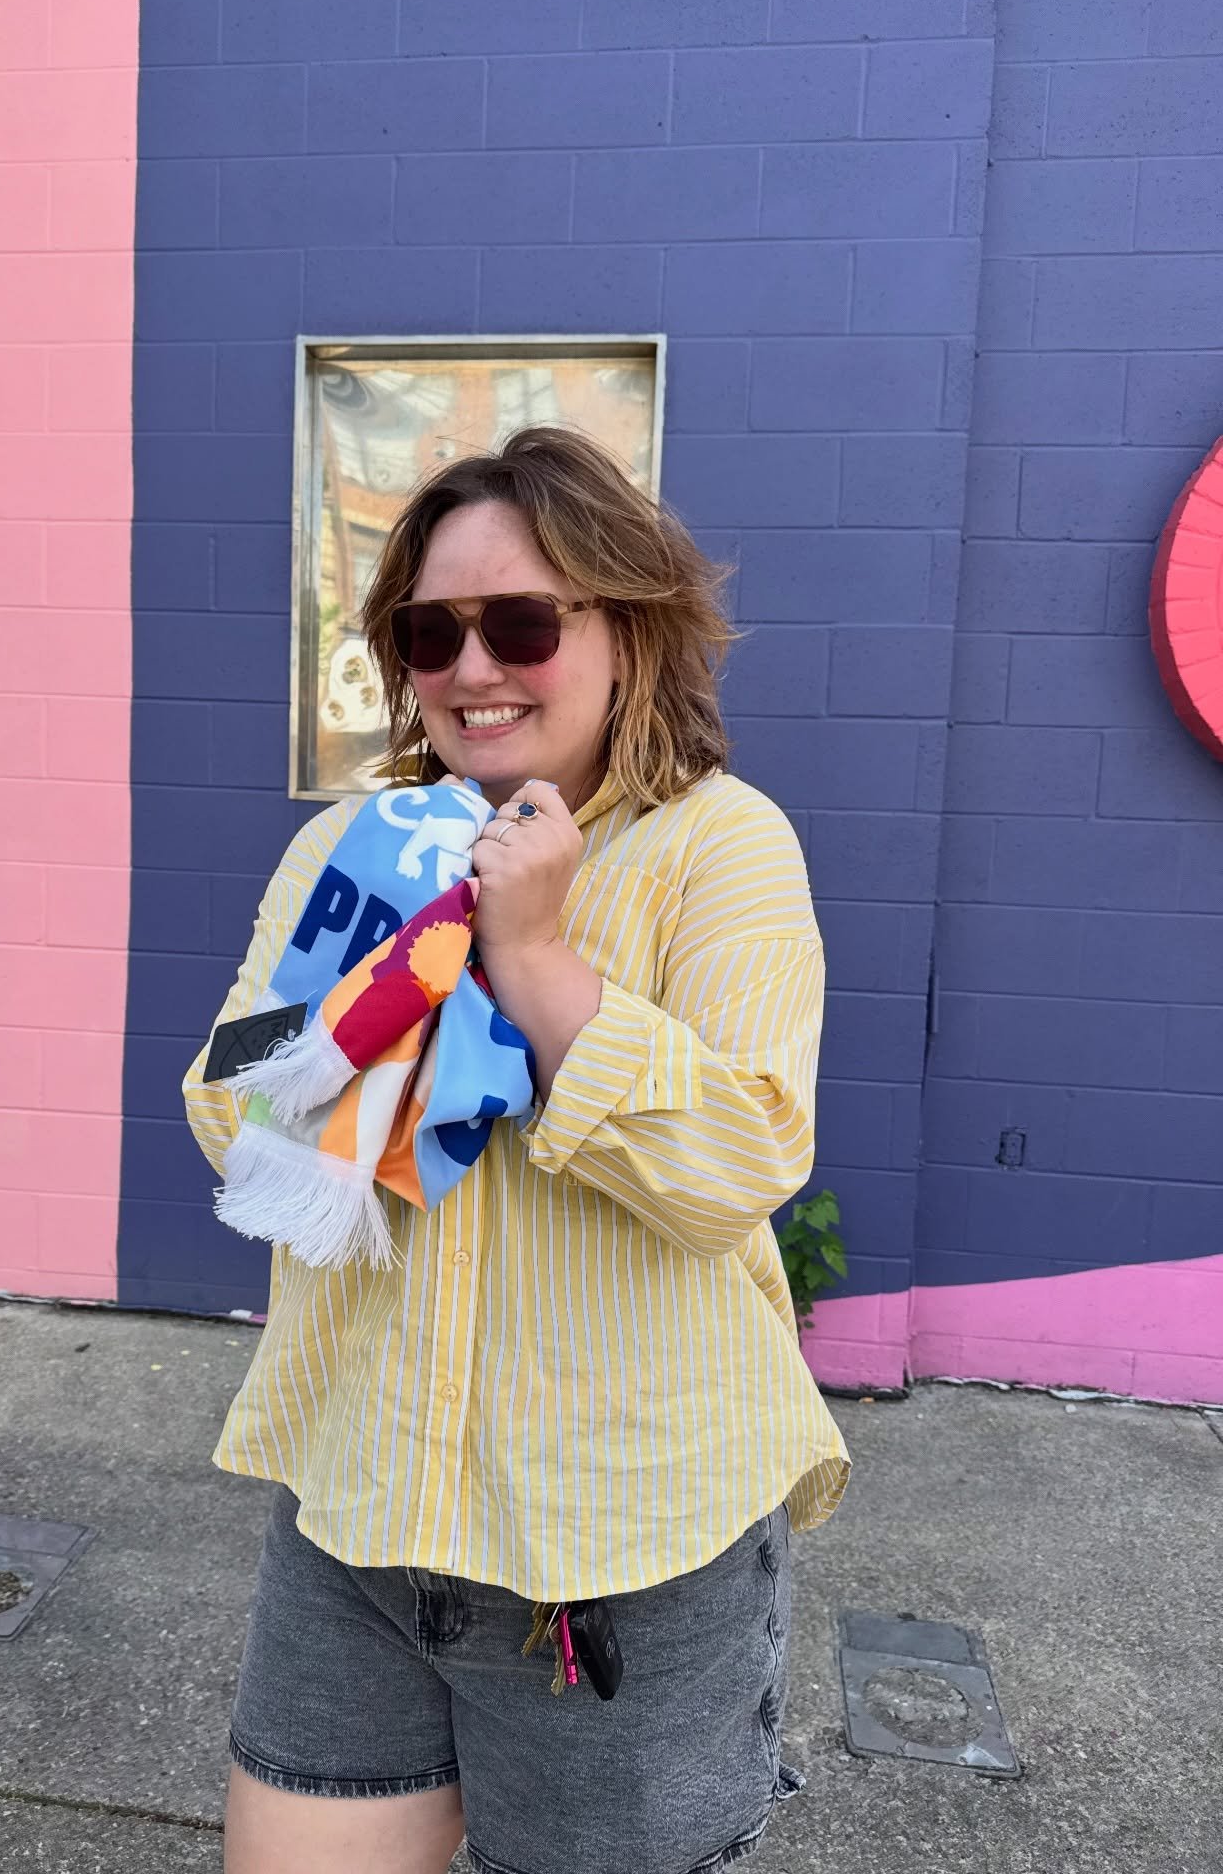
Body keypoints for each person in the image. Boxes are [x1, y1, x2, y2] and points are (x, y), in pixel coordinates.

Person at [183, 425, 850, 1874]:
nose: (474, 668)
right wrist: (364, 1023)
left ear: (631, 628)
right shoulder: (351, 853)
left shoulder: (719, 848)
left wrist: (534, 961)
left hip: (620, 1558)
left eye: (524, 623)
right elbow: (222, 1084)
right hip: (361, 1519)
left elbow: (737, 1164)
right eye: (432, 632)